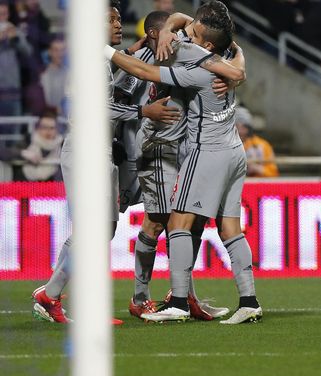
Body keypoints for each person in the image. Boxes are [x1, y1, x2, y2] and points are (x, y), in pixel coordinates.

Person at [107, 1, 261, 325]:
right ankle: (249, 301)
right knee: (230, 226)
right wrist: (168, 28)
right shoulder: (226, 57)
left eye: (190, 33)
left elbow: (144, 71)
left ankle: (177, 301)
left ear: (204, 43)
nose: (181, 35)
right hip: (235, 151)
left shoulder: (196, 64)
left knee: (177, 223)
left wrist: (106, 51)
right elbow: (225, 49)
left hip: (206, 151)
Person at [31, 0, 182, 325]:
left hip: (99, 153)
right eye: (111, 20)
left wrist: (131, 49)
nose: (118, 25)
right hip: (86, 152)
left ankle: (51, 291)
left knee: (103, 228)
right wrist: (146, 111)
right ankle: (52, 295)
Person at [0, 1, 31, 136]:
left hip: (13, 89)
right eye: (0, 14)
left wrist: (16, 39)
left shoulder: (14, 31)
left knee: (14, 132)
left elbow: (28, 52)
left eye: (5, 14)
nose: (3, 17)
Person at [18, 110, 62, 182]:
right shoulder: (29, 140)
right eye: (44, 127)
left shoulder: (62, 145)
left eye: (51, 128)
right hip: (26, 185)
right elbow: (5, 153)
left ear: (57, 129)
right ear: (38, 128)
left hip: (53, 188)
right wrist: (22, 153)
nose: (48, 131)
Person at [235, 107, 279, 177]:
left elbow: (273, 173)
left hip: (257, 185)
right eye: (236, 127)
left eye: (244, 127)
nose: (240, 131)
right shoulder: (224, 146)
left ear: (249, 128)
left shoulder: (262, 146)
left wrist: (257, 168)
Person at [40, 37, 67, 115]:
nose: (60, 54)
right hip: (48, 118)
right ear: (50, 52)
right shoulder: (42, 74)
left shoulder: (71, 74)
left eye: (62, 50)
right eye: (56, 50)